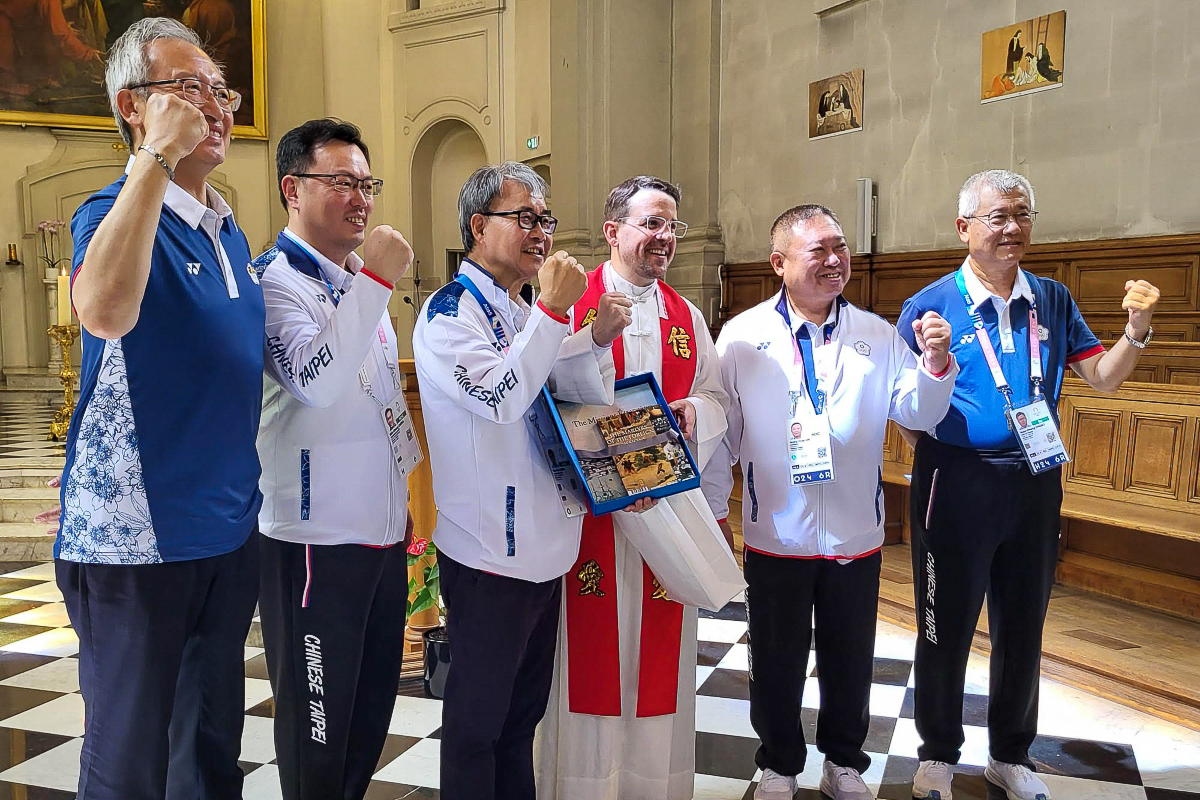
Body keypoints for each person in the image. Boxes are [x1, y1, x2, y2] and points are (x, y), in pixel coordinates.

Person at [897, 169, 1159, 800]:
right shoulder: (929, 305)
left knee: (1023, 624)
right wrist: (947, 458)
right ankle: (937, 753)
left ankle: (1010, 753)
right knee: (944, 625)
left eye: (1022, 215)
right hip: (955, 484)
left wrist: (1136, 330)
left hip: (1036, 482)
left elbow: (1102, 378)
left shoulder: (1053, 298)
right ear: (964, 228)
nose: (1011, 228)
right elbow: (904, 410)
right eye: (997, 216)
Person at [56, 18, 263, 799]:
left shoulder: (228, 233)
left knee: (209, 750)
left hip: (225, 529)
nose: (213, 106)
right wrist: (154, 158)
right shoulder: (109, 210)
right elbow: (104, 311)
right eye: (187, 88)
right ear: (130, 105)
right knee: (131, 762)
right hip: (135, 542)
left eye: (221, 90)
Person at [704, 205, 958, 800]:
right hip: (776, 532)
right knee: (774, 658)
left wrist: (936, 366)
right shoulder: (742, 337)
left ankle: (844, 762)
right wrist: (719, 510)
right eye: (816, 250)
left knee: (851, 655)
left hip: (854, 531)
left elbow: (918, 413)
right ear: (779, 264)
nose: (834, 260)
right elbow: (723, 436)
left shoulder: (875, 333)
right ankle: (779, 764)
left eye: (839, 247)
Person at [413, 162, 628, 800]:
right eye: (525, 218)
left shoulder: (515, 307)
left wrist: (592, 339)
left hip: (543, 542)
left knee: (520, 719)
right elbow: (504, 395)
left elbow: (558, 387)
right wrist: (559, 311)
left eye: (546, 220)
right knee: (478, 724)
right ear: (479, 227)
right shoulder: (449, 312)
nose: (540, 232)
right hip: (487, 548)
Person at [536, 175, 730, 800]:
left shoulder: (685, 315)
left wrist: (696, 414)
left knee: (658, 661)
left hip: (663, 515)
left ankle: (652, 787)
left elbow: (714, 393)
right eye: (651, 223)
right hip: (589, 516)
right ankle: (584, 787)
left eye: (670, 225)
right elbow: (542, 392)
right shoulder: (573, 302)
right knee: (588, 656)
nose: (664, 237)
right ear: (612, 230)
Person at [253, 118, 417, 800]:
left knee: (368, 713)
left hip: (379, 534)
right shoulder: (275, 281)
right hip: (315, 540)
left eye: (366, 183)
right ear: (293, 188)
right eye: (341, 181)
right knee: (316, 727)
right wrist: (376, 278)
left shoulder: (358, 283)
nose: (360, 197)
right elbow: (315, 381)